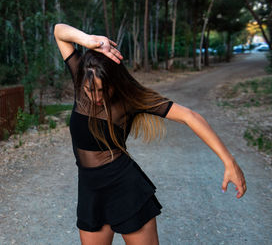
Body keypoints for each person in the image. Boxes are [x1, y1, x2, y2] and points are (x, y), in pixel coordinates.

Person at [53, 23, 246, 245]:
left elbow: (190, 116)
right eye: (90, 89)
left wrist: (229, 162)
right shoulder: (80, 75)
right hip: (89, 191)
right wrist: (89, 40)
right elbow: (59, 31)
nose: (96, 96)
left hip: (124, 189)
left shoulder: (130, 98)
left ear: (114, 82)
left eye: (103, 89)